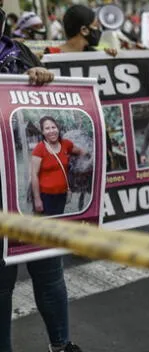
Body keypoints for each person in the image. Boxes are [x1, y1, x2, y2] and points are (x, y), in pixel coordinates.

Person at [0, 8, 84, 352]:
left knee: (48, 270)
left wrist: (40, 78)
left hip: (29, 185)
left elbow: (45, 98)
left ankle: (61, 345)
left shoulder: (18, 52)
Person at [31, 116, 87, 215]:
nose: (51, 131)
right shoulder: (39, 149)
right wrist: (37, 199)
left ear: (58, 128)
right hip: (45, 196)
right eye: (47, 128)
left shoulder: (66, 144)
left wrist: (83, 166)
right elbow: (34, 175)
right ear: (43, 132)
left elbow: (82, 152)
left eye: (53, 127)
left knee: (58, 219)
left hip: (62, 194)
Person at [44, 4, 117, 56]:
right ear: (84, 30)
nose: (99, 30)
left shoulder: (93, 54)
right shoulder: (51, 55)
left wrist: (108, 58)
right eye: (96, 26)